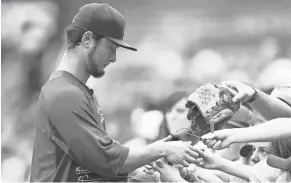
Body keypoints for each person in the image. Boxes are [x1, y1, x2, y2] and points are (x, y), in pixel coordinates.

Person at [30, 3, 200, 182]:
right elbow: (106, 159)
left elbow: (87, 164)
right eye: (110, 48)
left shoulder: (79, 91)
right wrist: (162, 149)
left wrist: (129, 174)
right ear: (87, 39)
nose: (113, 58)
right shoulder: (64, 93)